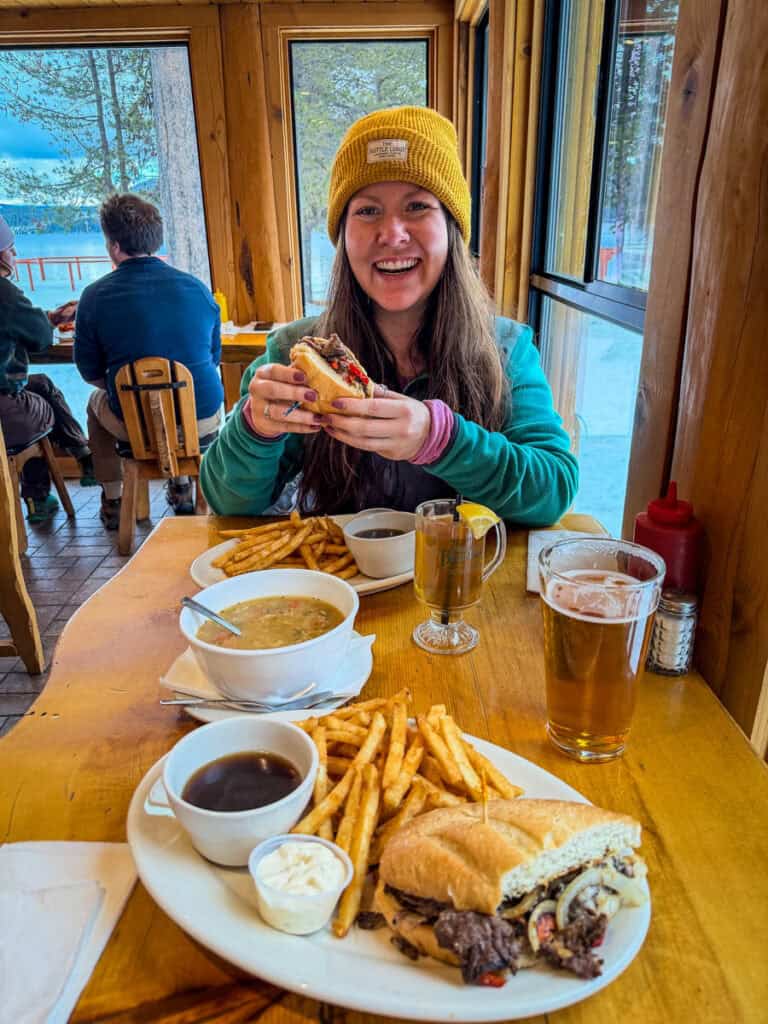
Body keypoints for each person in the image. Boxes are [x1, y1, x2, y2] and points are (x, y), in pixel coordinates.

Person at [200, 106, 578, 522]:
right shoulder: (294, 350)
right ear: (343, 235)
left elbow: (553, 490)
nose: (392, 234)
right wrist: (256, 429)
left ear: (451, 230)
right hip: (333, 583)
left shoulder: (507, 348)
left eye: (417, 206)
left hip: (464, 580)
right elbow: (228, 502)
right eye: (367, 210)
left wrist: (440, 439)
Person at [74, 193, 223, 529]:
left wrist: (130, 388)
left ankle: (113, 498)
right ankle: (184, 486)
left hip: (134, 428)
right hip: (199, 423)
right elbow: (213, 359)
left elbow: (90, 371)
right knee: (202, 392)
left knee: (95, 403)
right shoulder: (197, 288)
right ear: (156, 240)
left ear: (113, 246)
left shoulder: (94, 297)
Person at [0, 214, 96, 524]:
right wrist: (48, 322)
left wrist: (50, 315)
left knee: (40, 384)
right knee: (39, 408)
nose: (15, 255)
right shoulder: (5, 293)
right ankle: (39, 496)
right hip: (5, 415)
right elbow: (40, 338)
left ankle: (82, 457)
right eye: (11, 249)